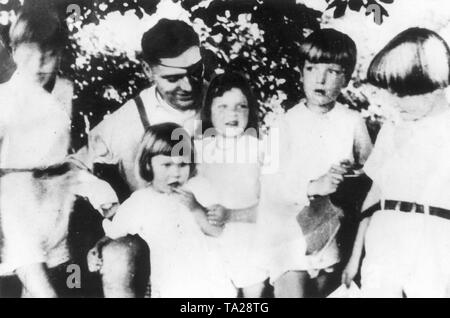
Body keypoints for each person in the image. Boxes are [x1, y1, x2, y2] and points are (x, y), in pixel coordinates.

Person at [0, 6, 118, 297]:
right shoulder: (4, 99)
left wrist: (95, 188)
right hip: (15, 198)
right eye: (28, 53)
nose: (39, 63)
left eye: (49, 53)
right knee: (31, 266)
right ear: (13, 52)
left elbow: (60, 158)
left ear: (62, 53)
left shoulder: (64, 90)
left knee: (54, 268)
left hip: (54, 199)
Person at [259, 29, 373, 298]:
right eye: (312, 68)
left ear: (346, 78)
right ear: (301, 73)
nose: (321, 79)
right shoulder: (283, 124)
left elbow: (371, 172)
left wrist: (351, 175)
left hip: (329, 234)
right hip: (288, 233)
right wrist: (312, 186)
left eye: (333, 71)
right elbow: (269, 183)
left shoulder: (352, 122)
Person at [342, 27, 450, 298]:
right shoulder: (391, 130)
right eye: (389, 92)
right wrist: (355, 256)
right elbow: (374, 195)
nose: (392, 103)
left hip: (435, 246)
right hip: (384, 241)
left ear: (436, 85)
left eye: (401, 94)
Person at [88, 123, 235, 298]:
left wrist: (195, 208)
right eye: (166, 165)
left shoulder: (199, 188)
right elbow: (114, 232)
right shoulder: (141, 201)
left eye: (183, 164)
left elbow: (217, 230)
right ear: (148, 165)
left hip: (210, 283)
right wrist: (97, 247)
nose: (176, 173)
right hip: (169, 284)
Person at [73, 19, 205, 200]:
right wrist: (102, 196)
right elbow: (73, 168)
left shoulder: (224, 101)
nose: (188, 87)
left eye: (196, 73)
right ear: (147, 70)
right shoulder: (127, 120)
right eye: (173, 78)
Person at [189, 71, 269, 297]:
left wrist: (231, 215)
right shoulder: (199, 149)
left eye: (241, 106)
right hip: (209, 238)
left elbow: (273, 205)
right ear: (209, 112)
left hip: (248, 235)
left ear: (250, 110)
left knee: (252, 288)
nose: (232, 113)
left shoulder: (260, 149)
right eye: (222, 107)